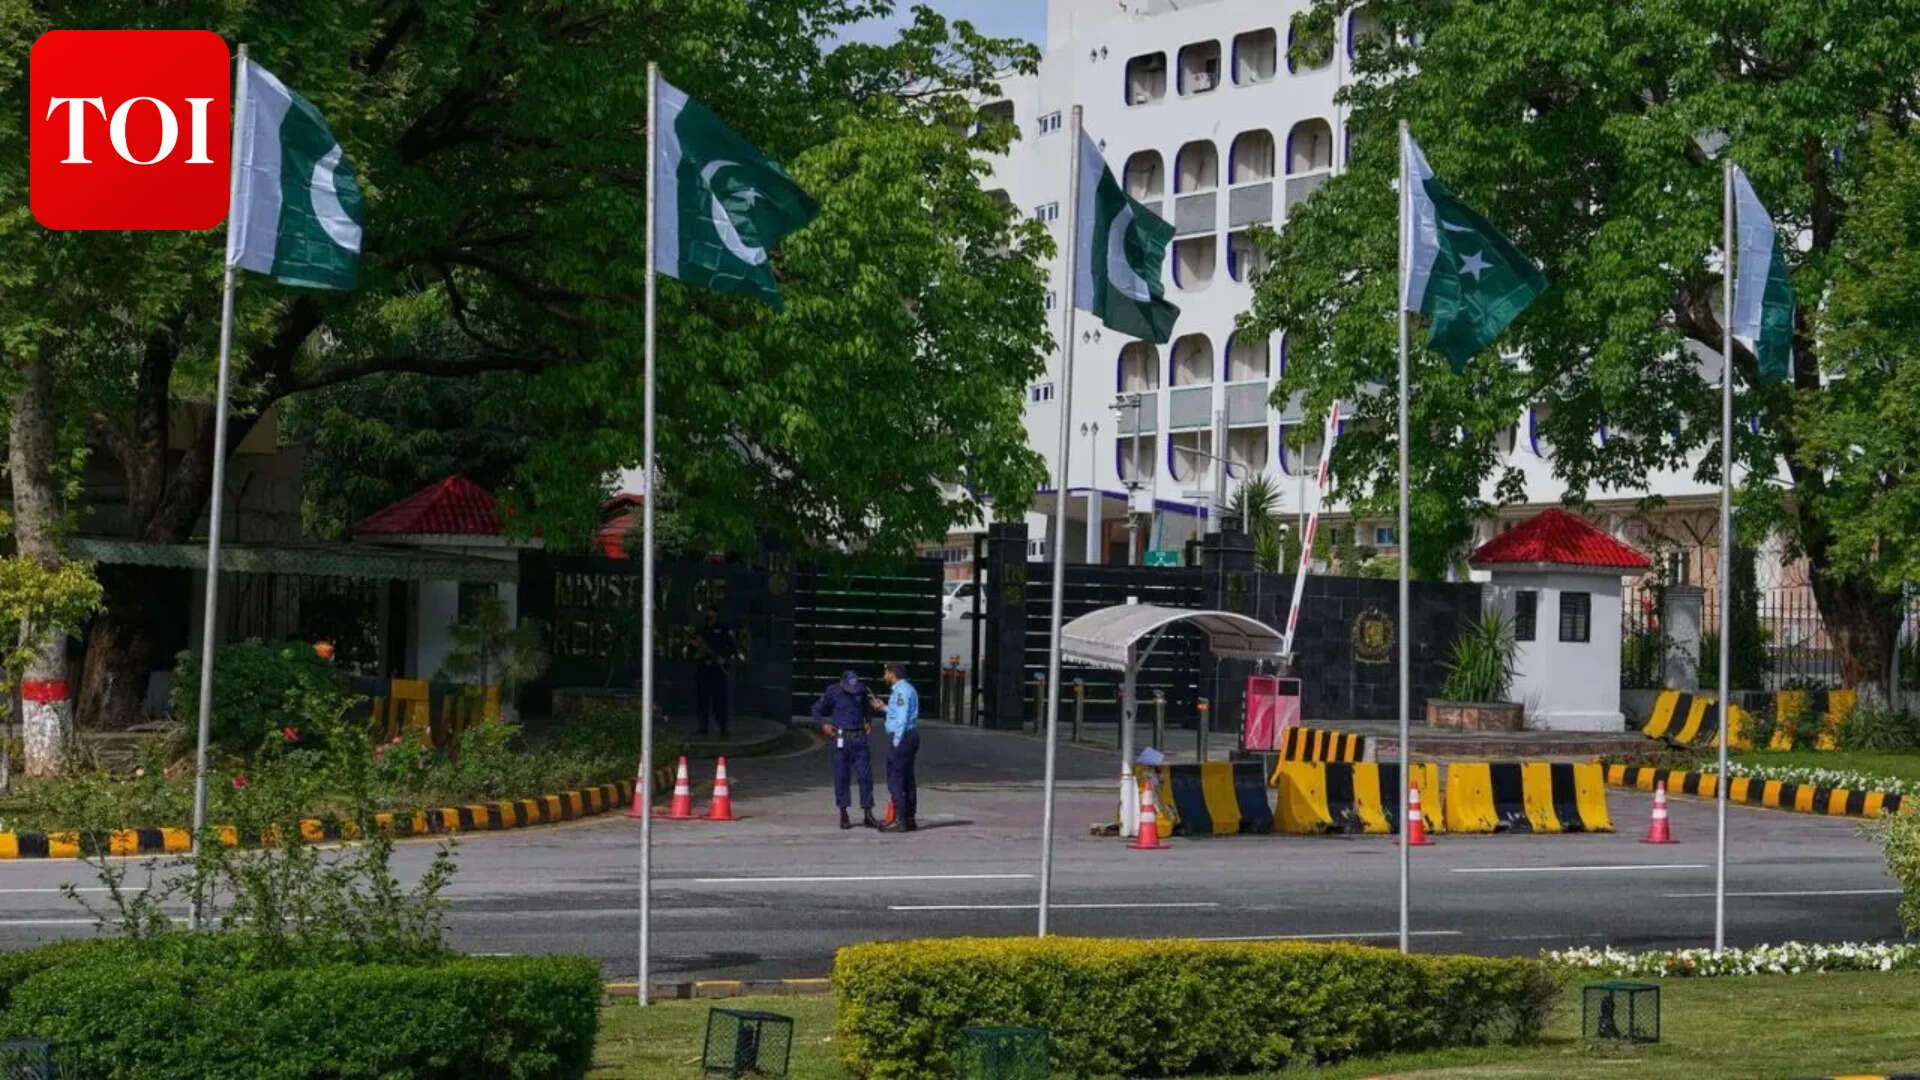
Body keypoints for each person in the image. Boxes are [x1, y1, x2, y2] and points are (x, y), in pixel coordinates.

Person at [810, 670, 878, 830]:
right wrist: (824, 724)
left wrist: (868, 720)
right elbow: (816, 710)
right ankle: (843, 813)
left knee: (865, 776)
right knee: (842, 776)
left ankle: (868, 813)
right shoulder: (833, 692)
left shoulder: (861, 690)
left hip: (859, 737)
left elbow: (867, 708)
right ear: (842, 683)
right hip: (841, 737)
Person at [879, 661, 920, 833]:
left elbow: (902, 718)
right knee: (907, 778)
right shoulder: (907, 689)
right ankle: (909, 818)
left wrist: (896, 740)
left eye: (886, 672)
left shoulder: (901, 691)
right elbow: (899, 712)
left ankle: (900, 819)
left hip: (903, 738)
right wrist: (884, 708)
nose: (884, 675)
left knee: (896, 779)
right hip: (910, 736)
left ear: (893, 673)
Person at [691, 605, 740, 737]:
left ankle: (723, 727)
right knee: (703, 700)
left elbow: (732, 647)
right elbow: (692, 648)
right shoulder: (701, 630)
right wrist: (696, 650)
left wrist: (725, 659)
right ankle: (703, 726)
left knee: (720, 699)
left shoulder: (724, 629)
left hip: (718, 670)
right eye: (708, 613)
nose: (709, 615)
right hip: (703, 670)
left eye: (712, 613)